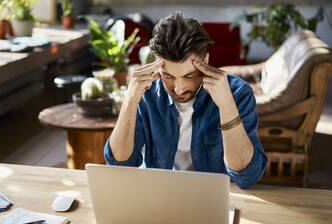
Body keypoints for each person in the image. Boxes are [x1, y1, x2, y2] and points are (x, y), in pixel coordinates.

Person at [104, 12, 267, 189]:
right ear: (158, 64)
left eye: (189, 75)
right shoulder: (147, 93)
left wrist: (226, 106)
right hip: (158, 194)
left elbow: (247, 177)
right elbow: (119, 167)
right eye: (169, 76)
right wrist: (130, 101)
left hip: (212, 198)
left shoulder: (237, 93)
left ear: (206, 61)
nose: (179, 89)